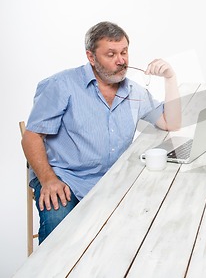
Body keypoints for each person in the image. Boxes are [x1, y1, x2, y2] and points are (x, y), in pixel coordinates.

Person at [21, 21, 181, 243]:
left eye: (124, 52)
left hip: (111, 180)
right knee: (58, 234)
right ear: (91, 57)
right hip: (64, 177)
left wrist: (170, 78)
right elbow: (31, 136)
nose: (121, 60)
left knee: (154, 221)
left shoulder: (134, 91)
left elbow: (170, 122)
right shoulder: (61, 85)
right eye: (111, 54)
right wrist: (48, 180)